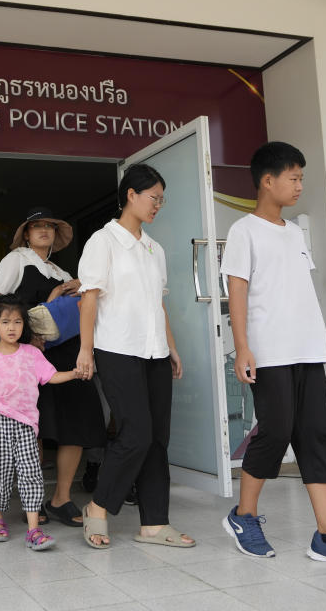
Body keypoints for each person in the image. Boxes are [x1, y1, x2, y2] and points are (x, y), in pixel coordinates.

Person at [219, 141, 326, 567]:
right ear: (268, 180)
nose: (299, 185)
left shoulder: (294, 232)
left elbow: (296, 290)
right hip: (269, 351)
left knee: (316, 435)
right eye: (293, 178)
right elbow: (236, 291)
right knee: (276, 432)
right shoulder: (244, 231)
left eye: (301, 178)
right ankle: (244, 516)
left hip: (307, 350)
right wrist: (242, 347)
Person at [75, 164, 194, 550]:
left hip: (154, 351)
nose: (158, 205)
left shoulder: (154, 248)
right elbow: (89, 298)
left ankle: (155, 523)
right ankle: (98, 507)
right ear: (131, 195)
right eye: (153, 197)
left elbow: (158, 304)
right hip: (117, 349)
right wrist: (86, 350)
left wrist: (171, 347)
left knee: (158, 438)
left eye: (162, 199)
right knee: (135, 434)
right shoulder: (103, 241)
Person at [0, 207, 107, 527]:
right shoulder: (17, 259)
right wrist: (24, 332)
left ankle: (61, 498)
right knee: (32, 426)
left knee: (78, 421)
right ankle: (32, 501)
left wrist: (70, 290)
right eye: (36, 226)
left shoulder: (61, 271)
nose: (43, 231)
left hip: (68, 354)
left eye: (49, 227)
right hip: (27, 353)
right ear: (25, 233)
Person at [0, 295, 81, 551]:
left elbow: (50, 377)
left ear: (24, 326)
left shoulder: (32, 353)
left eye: (17, 322)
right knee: (0, 472)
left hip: (27, 423)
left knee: (31, 473)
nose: (11, 327)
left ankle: (33, 530)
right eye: (5, 322)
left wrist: (73, 373)